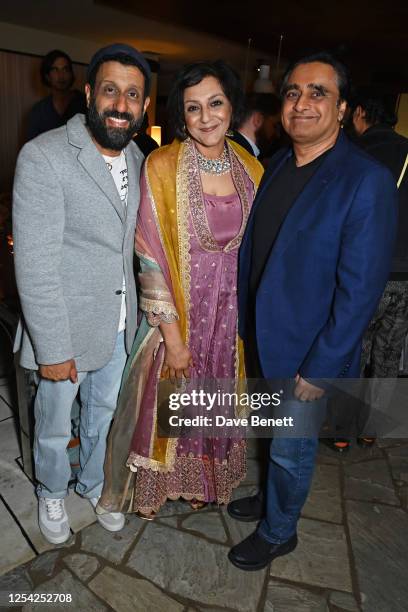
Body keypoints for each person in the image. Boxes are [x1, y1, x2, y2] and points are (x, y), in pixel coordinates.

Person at [227, 52, 398, 571]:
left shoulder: (363, 179)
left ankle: (279, 532)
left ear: (343, 108)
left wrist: (322, 366)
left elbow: (360, 290)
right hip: (265, 336)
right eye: (294, 92)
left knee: (291, 450)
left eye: (318, 92)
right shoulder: (278, 162)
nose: (302, 104)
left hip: (309, 354)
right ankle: (270, 500)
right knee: (271, 435)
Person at [98, 60, 264, 519]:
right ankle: (157, 486)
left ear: (232, 107)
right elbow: (148, 254)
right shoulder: (163, 165)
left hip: (230, 317)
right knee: (174, 395)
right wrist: (171, 336)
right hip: (180, 311)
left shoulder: (252, 169)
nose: (206, 116)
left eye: (215, 103)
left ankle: (205, 479)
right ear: (182, 117)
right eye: (194, 108)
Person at [13, 43, 151, 544]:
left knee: (105, 414)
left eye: (132, 94)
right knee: (53, 424)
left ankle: (93, 484)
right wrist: (51, 348)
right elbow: (34, 261)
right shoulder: (45, 155)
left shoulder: (140, 159)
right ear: (90, 94)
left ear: (143, 107)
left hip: (119, 320)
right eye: (110, 90)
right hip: (65, 325)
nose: (120, 104)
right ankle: (51, 490)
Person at [27, 49, 87, 140]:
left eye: (65, 69)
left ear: (71, 74)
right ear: (47, 76)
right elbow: (31, 148)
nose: (61, 75)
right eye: (55, 70)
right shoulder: (39, 111)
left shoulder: (86, 103)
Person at [231, 93, 281, 159]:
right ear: (257, 119)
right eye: (274, 125)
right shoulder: (244, 157)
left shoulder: (229, 146)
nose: (277, 134)